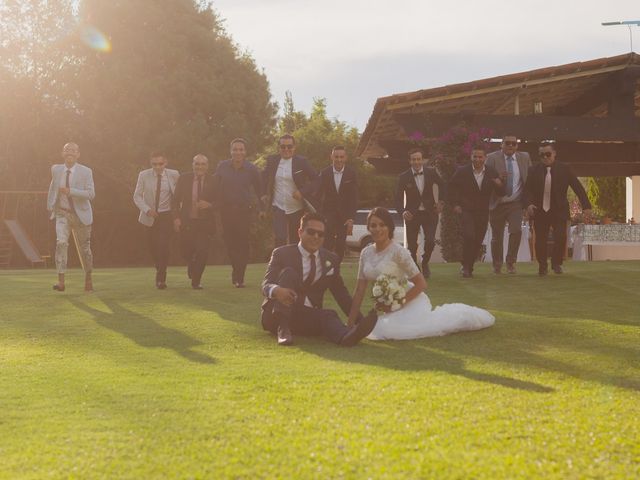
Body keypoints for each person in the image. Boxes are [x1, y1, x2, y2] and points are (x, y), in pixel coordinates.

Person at [347, 207, 494, 340]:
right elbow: (360, 290)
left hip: (412, 302)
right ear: (368, 228)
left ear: (389, 227)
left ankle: (463, 316)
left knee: (386, 331)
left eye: (382, 225)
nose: (377, 229)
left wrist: (397, 304)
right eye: (373, 225)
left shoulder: (398, 252)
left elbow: (421, 284)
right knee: (380, 329)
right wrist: (350, 323)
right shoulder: (366, 253)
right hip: (389, 308)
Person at [261, 212, 378, 346]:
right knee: (289, 273)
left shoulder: (331, 259)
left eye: (320, 234)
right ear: (300, 232)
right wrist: (276, 291)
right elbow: (265, 284)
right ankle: (282, 328)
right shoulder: (281, 253)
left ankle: (346, 337)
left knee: (328, 315)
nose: (316, 237)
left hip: (305, 316)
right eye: (311, 232)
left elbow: (341, 294)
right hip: (274, 316)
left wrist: (360, 321)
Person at [526, 142, 592, 275]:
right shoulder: (533, 170)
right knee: (540, 240)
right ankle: (542, 265)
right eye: (542, 155)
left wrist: (586, 206)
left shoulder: (565, 169)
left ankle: (556, 263)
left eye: (548, 154)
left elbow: (578, 188)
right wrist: (528, 204)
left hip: (559, 210)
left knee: (561, 237)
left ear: (554, 154)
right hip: (540, 210)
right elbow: (527, 190)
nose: (545, 157)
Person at [215, 138, 265, 288]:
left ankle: (239, 277)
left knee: (242, 244)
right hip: (226, 211)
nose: (238, 152)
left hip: (244, 211)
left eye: (241, 149)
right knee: (230, 244)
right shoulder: (222, 167)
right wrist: (211, 205)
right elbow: (214, 187)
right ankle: (236, 270)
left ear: (245, 152)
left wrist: (262, 209)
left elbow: (260, 190)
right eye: (235, 149)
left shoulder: (251, 168)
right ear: (230, 151)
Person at [448, 145, 504, 278]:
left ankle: (468, 266)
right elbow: (451, 188)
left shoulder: (491, 172)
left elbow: (501, 192)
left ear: (485, 158)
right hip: (466, 210)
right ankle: (466, 267)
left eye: (480, 157)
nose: (477, 159)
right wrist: (455, 204)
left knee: (478, 240)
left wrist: (499, 184)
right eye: (475, 156)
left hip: (483, 211)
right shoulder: (462, 171)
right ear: (471, 157)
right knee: (469, 236)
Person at [47, 142, 95, 292]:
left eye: (73, 151)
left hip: (81, 215)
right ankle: (61, 282)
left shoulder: (86, 171)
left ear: (78, 154)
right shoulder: (56, 169)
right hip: (62, 213)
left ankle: (88, 277)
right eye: (67, 150)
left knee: (85, 249)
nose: (70, 152)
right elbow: (53, 187)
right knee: (61, 242)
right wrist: (50, 206)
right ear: (63, 153)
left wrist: (70, 191)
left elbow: (91, 194)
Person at [395, 148, 445, 278]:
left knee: (430, 241)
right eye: (413, 159)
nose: (416, 162)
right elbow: (397, 198)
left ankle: (425, 262)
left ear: (422, 160)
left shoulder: (431, 172)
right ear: (409, 161)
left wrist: (441, 202)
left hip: (430, 213)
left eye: (418, 159)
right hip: (412, 215)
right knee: (412, 245)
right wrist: (403, 212)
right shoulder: (403, 177)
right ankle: (415, 267)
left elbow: (443, 185)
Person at [485, 135, 532, 274]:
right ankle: (497, 264)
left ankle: (511, 262)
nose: (510, 146)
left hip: (515, 203)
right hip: (497, 203)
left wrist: (527, 203)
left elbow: (529, 181)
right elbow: (487, 179)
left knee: (516, 230)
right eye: (507, 143)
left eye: (514, 143)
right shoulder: (492, 158)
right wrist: (498, 180)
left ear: (517, 146)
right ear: (502, 145)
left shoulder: (524, 157)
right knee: (497, 236)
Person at [133, 151, 180, 289]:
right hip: (149, 216)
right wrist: (147, 209)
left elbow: (179, 196)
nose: (158, 167)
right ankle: (159, 266)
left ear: (165, 163)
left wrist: (178, 215)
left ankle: (161, 278)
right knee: (153, 248)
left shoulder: (174, 174)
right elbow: (136, 196)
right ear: (151, 163)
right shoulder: (144, 175)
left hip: (167, 216)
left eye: (160, 164)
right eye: (154, 164)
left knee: (163, 246)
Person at [262, 134, 317, 247]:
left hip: (296, 208)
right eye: (283, 147)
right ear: (279, 147)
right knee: (280, 238)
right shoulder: (272, 160)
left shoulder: (302, 162)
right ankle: (279, 263)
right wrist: (264, 194)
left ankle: (294, 264)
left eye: (289, 146)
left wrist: (302, 192)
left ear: (294, 147)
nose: (286, 149)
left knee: (295, 240)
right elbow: (264, 177)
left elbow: (316, 180)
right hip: (278, 206)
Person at [171, 154, 217, 289]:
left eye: (203, 164)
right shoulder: (184, 178)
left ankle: (196, 281)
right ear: (193, 165)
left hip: (205, 223)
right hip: (187, 222)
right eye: (197, 164)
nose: (200, 167)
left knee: (202, 251)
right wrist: (176, 218)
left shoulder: (214, 180)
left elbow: (220, 202)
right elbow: (175, 201)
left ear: (207, 166)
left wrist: (209, 205)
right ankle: (191, 264)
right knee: (186, 252)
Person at [316, 146, 358, 262]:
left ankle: (336, 272)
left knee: (340, 245)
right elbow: (318, 195)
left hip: (344, 216)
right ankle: (324, 271)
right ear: (331, 157)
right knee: (327, 244)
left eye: (341, 157)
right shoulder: (324, 173)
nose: (339, 159)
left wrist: (351, 218)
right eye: (336, 157)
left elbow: (353, 198)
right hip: (328, 215)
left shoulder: (351, 173)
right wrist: (320, 216)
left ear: (346, 158)